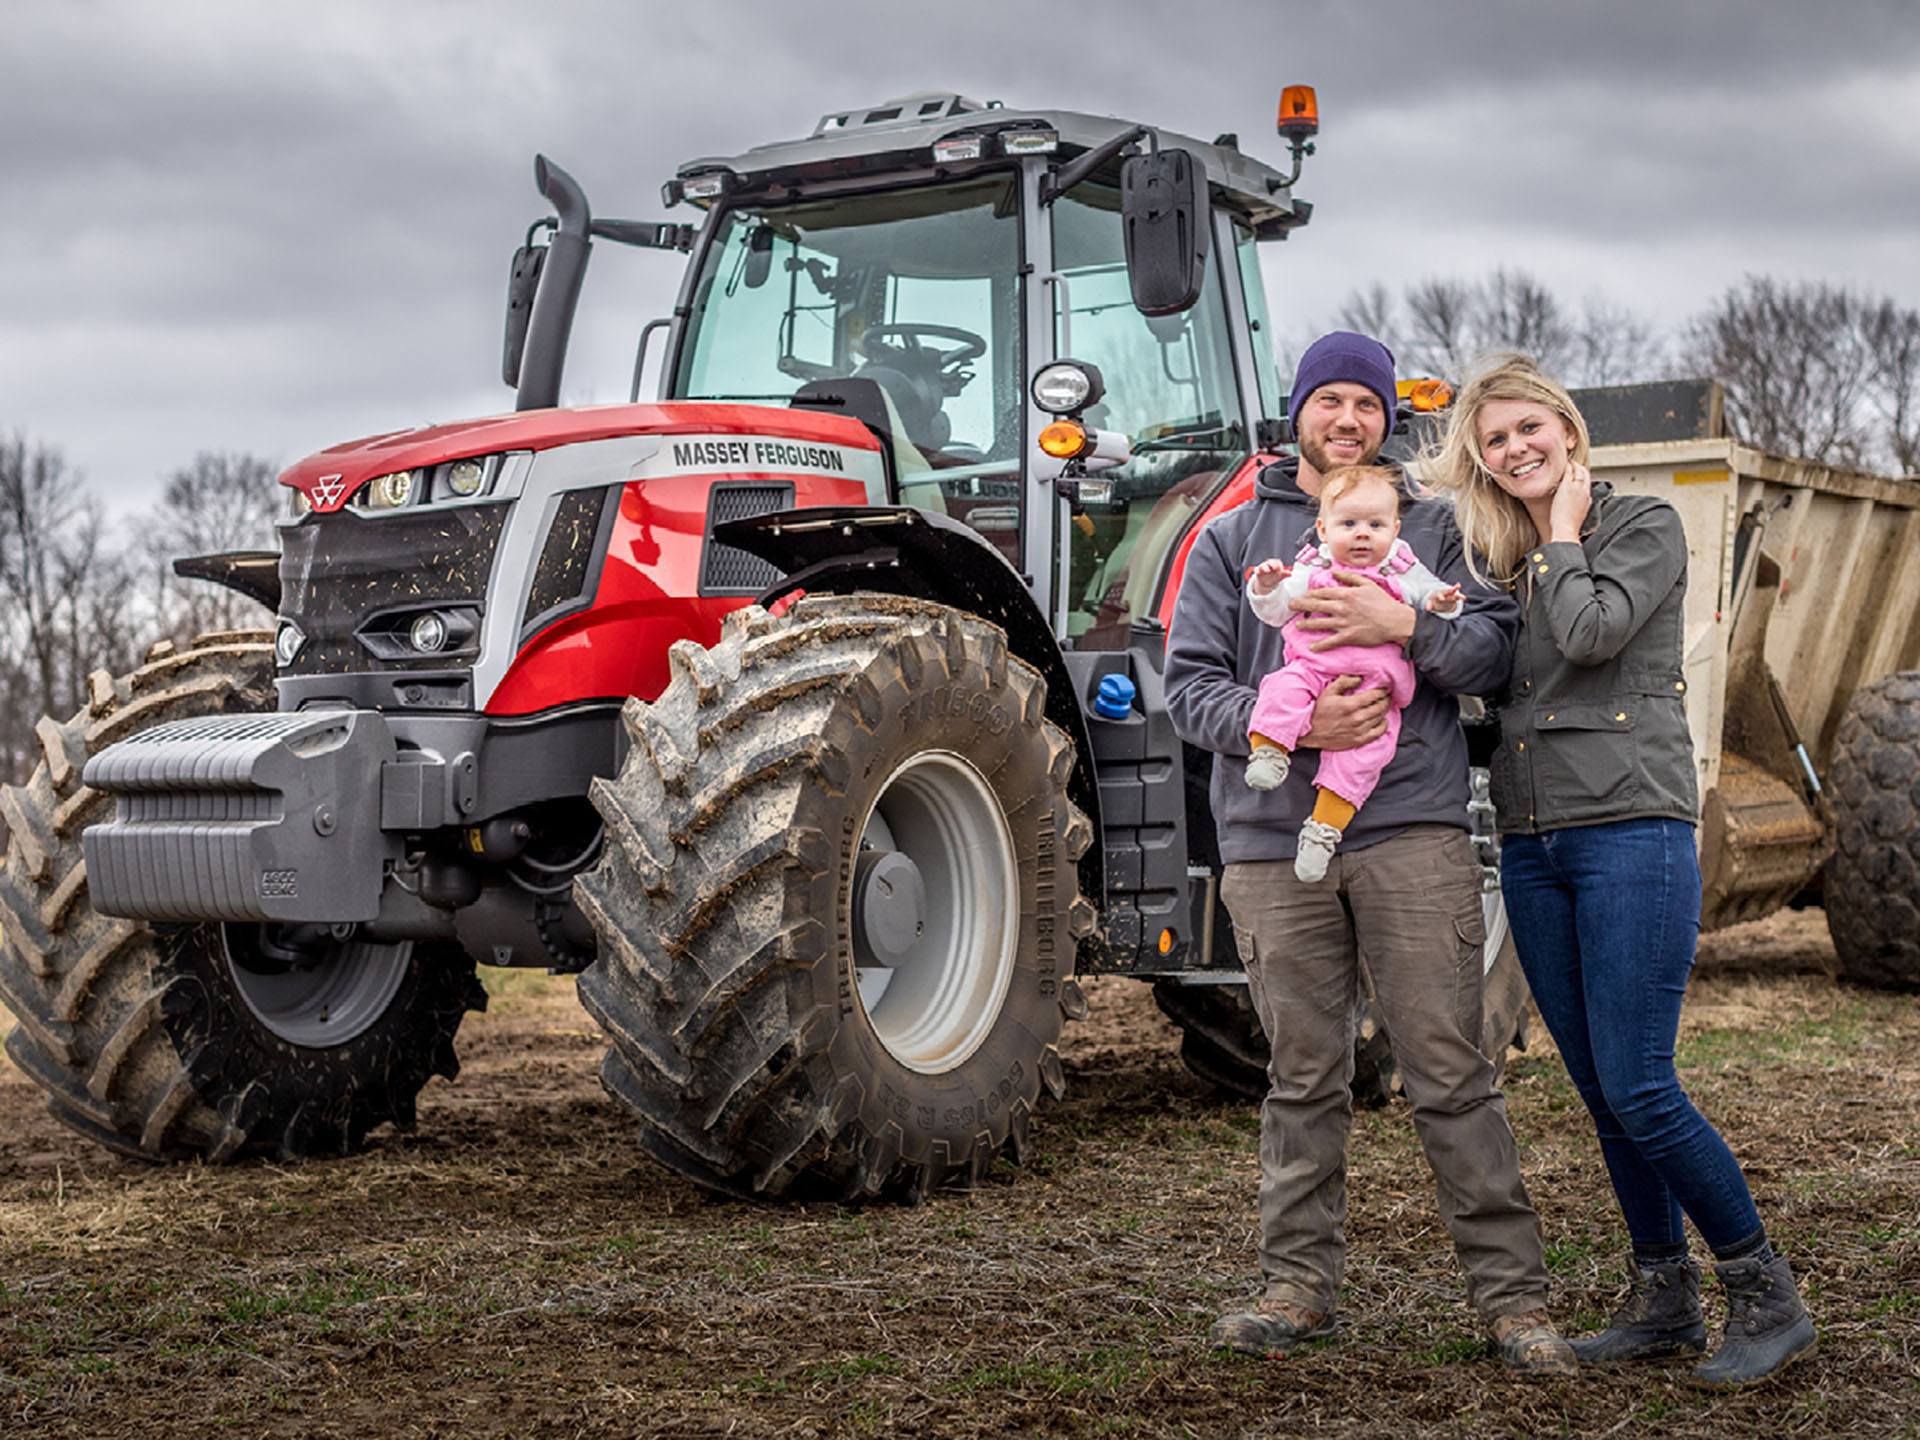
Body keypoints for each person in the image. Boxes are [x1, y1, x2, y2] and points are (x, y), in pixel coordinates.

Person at [1165, 332, 1575, 1375]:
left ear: (1388, 417)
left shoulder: (1434, 528)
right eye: (1329, 401)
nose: (1347, 419)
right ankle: (1299, 1287)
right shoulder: (1230, 541)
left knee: (1449, 1066)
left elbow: (1493, 650)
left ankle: (1514, 1302)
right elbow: (1189, 688)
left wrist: (1407, 623)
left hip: (1409, 832)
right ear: (1298, 410)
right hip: (1272, 843)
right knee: (1302, 1072)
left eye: (1365, 404)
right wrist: (1295, 726)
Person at [1424, 353, 1816, 1388]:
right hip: (1534, 841)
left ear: (1567, 430)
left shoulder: (1638, 526)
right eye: (1493, 441)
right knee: (1600, 1089)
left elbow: (1593, 636)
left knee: (1644, 1083)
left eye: (1526, 430)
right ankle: (1663, 1296)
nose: (1514, 451)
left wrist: (1558, 533)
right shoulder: (1500, 565)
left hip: (1630, 831)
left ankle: (1766, 1292)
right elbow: (1492, 700)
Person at [1244, 463, 1464, 882]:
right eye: (1349, 523)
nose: (1363, 533)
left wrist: (1443, 603)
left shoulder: (1401, 570)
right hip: (1312, 669)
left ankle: (1323, 831)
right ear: (1323, 530)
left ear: (1395, 530)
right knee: (1280, 689)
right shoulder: (1309, 571)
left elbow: (1431, 594)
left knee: (1365, 757)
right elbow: (1274, 613)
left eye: (1375, 524)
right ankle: (1270, 749)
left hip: (1375, 691)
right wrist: (1267, 588)